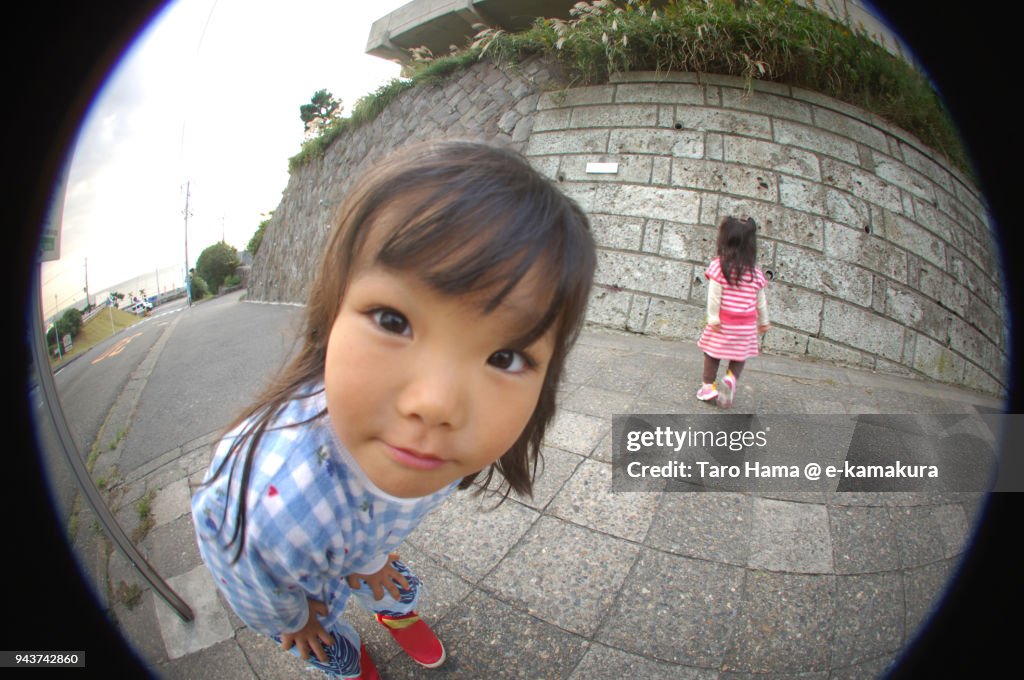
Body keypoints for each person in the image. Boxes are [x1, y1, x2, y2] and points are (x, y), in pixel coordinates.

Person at [190, 140, 596, 679]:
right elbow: (235, 559)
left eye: (505, 356)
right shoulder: (269, 501)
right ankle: (340, 653)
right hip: (294, 584)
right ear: (330, 313)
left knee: (389, 580)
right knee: (313, 631)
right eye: (392, 321)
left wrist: (372, 559)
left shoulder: (444, 448)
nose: (435, 405)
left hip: (369, 542)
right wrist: (290, 617)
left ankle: (393, 610)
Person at [695, 215, 771, 409]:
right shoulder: (755, 272)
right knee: (739, 355)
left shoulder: (719, 266)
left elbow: (714, 296)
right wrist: (764, 321)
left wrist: (713, 318)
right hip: (745, 325)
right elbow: (760, 301)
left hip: (723, 322)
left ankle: (708, 387)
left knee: (712, 353)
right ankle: (731, 378)